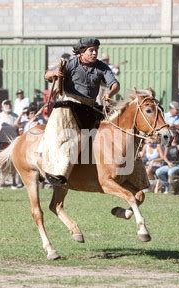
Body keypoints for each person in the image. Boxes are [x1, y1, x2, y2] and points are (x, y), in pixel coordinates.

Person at [42, 37, 120, 186]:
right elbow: (47, 75)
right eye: (91, 50)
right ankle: (59, 174)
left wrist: (109, 93)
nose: (95, 53)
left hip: (90, 107)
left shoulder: (102, 67)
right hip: (69, 105)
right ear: (82, 52)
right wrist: (53, 74)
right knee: (73, 137)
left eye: (96, 50)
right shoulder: (70, 63)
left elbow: (115, 84)